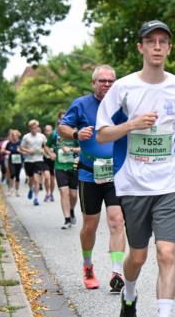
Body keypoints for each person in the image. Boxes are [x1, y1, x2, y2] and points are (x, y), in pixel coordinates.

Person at [96, 21, 175, 317]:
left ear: (168, 48)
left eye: (162, 42)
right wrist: (131, 125)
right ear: (140, 48)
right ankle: (130, 295)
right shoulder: (123, 89)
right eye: (150, 41)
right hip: (134, 184)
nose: (156, 47)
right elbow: (103, 134)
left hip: (170, 181)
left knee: (166, 253)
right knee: (137, 256)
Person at [59, 65, 128, 292]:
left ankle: (117, 272)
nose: (107, 85)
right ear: (93, 83)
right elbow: (63, 127)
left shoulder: (122, 104)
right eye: (102, 81)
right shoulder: (81, 104)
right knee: (90, 226)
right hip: (89, 173)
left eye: (111, 81)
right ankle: (88, 266)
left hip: (115, 174)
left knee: (117, 221)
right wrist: (77, 134)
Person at [48, 111, 79, 229]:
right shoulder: (54, 134)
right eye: (61, 119)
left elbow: (82, 149)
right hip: (60, 166)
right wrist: (50, 153)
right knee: (63, 192)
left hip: (74, 166)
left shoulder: (75, 133)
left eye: (65, 118)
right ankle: (67, 220)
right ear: (58, 121)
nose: (63, 121)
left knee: (73, 195)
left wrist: (70, 149)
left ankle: (71, 210)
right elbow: (46, 145)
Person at [19, 119, 48, 205]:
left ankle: (36, 198)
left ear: (37, 127)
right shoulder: (26, 137)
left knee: (36, 180)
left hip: (39, 160)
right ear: (30, 128)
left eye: (35, 128)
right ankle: (30, 188)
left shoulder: (42, 136)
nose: (34, 130)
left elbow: (46, 146)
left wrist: (44, 150)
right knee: (31, 180)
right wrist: (28, 150)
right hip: (28, 160)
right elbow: (21, 147)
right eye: (32, 128)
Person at [2, 130, 23, 197]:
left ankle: (17, 191)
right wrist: (6, 151)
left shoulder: (20, 143)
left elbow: (25, 150)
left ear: (17, 136)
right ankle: (10, 190)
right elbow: (2, 150)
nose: (14, 137)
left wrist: (22, 151)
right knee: (12, 174)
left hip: (19, 160)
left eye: (15, 135)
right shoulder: (9, 143)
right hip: (11, 160)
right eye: (13, 135)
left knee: (17, 176)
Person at [42, 123, 57, 202]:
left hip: (53, 161)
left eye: (49, 131)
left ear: (52, 131)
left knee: (52, 179)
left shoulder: (55, 139)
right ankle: (47, 193)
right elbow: (39, 148)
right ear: (44, 132)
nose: (48, 132)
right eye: (46, 131)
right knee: (47, 177)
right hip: (45, 161)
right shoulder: (42, 139)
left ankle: (51, 194)